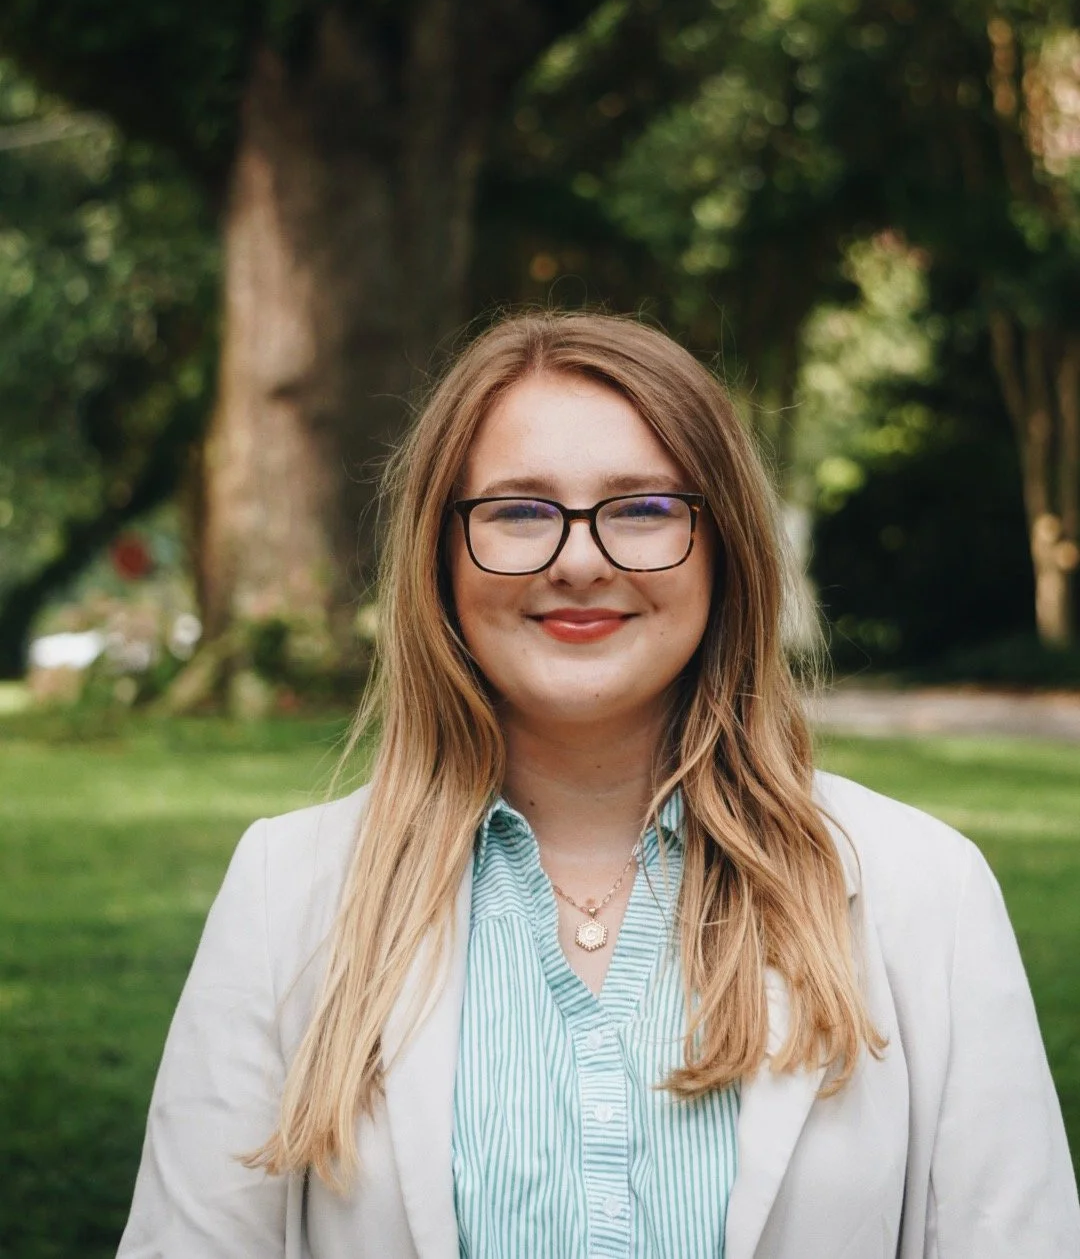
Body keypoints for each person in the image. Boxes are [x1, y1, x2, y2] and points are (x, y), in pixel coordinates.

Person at [118, 309, 1079, 1259]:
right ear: (441, 555)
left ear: (725, 548)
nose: (579, 560)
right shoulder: (288, 889)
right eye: (518, 510)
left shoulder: (927, 891)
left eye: (644, 509)